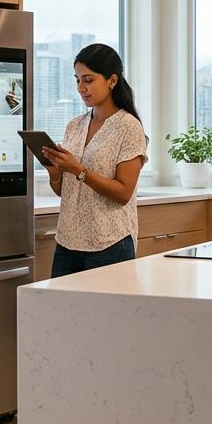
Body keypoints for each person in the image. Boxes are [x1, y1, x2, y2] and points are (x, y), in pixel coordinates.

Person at [41, 43, 148, 276]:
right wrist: (54, 171)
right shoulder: (74, 126)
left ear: (112, 80)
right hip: (68, 241)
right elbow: (65, 191)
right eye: (77, 80)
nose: (81, 88)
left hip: (109, 243)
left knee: (106, 314)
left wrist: (79, 170)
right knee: (60, 312)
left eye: (88, 80)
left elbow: (123, 193)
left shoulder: (128, 127)